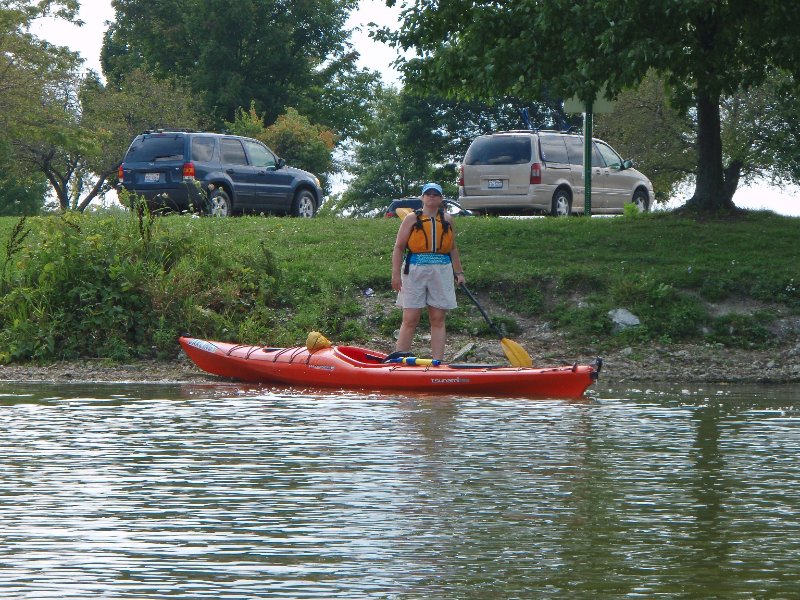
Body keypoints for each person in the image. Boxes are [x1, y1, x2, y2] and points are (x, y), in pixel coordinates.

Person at [391, 182, 465, 361]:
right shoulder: (411, 219)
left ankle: (437, 362)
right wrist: (395, 275)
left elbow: (452, 248)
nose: (431, 196)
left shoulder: (447, 220)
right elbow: (399, 247)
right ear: (422, 198)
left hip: (442, 270)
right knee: (410, 317)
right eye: (428, 194)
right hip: (414, 269)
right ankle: (399, 360)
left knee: (438, 318)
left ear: (440, 199)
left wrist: (459, 273)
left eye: (435, 194)